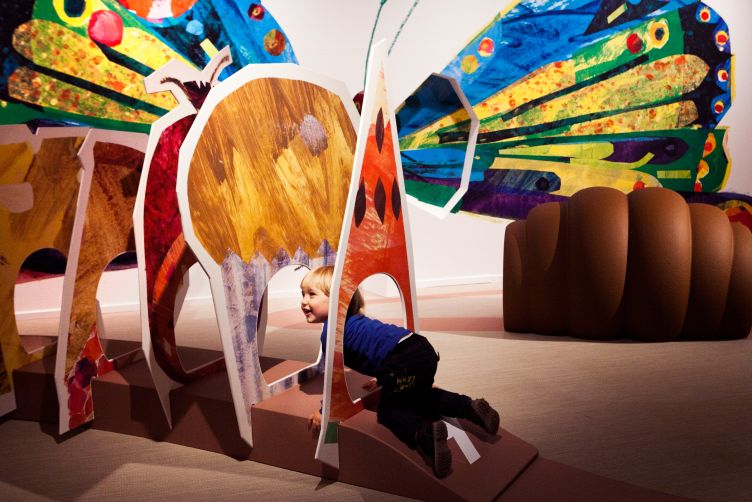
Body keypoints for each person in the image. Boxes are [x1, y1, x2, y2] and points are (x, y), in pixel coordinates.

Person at [300, 265, 500, 478]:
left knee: (390, 412)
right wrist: (383, 377)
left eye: (312, 294)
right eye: (302, 294)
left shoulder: (332, 334)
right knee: (420, 395)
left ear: (338, 300)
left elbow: (335, 378)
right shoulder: (357, 321)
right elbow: (379, 347)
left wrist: (325, 411)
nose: (303, 301)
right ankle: (469, 407)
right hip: (422, 350)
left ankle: (424, 434)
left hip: (402, 361)